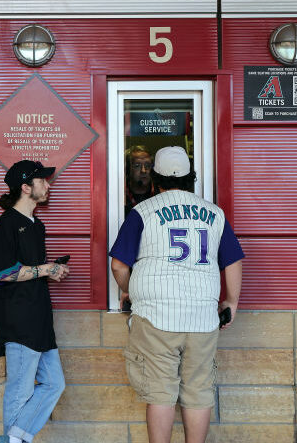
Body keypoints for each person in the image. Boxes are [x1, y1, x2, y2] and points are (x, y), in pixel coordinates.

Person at [109, 146, 244, 443]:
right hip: (202, 319)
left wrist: (130, 290)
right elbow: (232, 260)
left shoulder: (142, 212)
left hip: (156, 318)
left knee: (160, 392)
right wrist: (231, 301)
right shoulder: (215, 214)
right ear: (190, 179)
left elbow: (119, 264)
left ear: (155, 180)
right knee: (198, 392)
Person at [0, 160, 70, 443]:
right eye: (43, 181)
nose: (48, 185)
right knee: (20, 391)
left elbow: (31, 270)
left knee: (54, 384)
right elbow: (3, 274)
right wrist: (46, 268)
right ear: (25, 187)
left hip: (39, 318)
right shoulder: (6, 224)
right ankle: (12, 441)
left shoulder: (36, 225)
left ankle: (12, 439)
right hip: (19, 319)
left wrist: (52, 269)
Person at [125, 145, 156, 213]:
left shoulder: (160, 193)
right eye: (137, 166)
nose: (143, 171)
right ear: (128, 169)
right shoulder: (119, 195)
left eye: (147, 165)